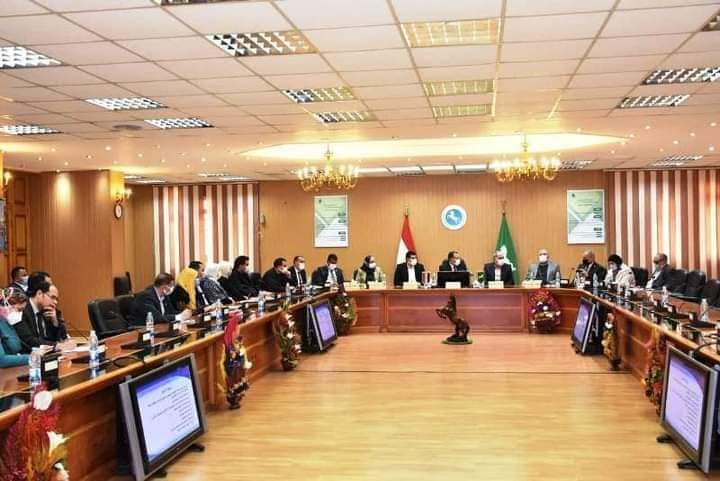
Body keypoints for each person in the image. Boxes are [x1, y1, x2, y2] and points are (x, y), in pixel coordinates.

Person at [14, 280, 70, 352]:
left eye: (56, 299)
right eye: (52, 297)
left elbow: (61, 338)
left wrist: (55, 322)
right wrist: (55, 345)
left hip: (46, 354)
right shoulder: (22, 309)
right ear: (39, 293)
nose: (55, 302)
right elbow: (28, 340)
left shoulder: (48, 311)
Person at [0, 290, 50, 368]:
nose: (21, 314)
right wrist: (33, 356)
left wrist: (38, 351)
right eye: (19, 310)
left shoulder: (9, 323)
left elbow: (18, 350)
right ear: (6, 305)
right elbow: (2, 360)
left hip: (14, 370)